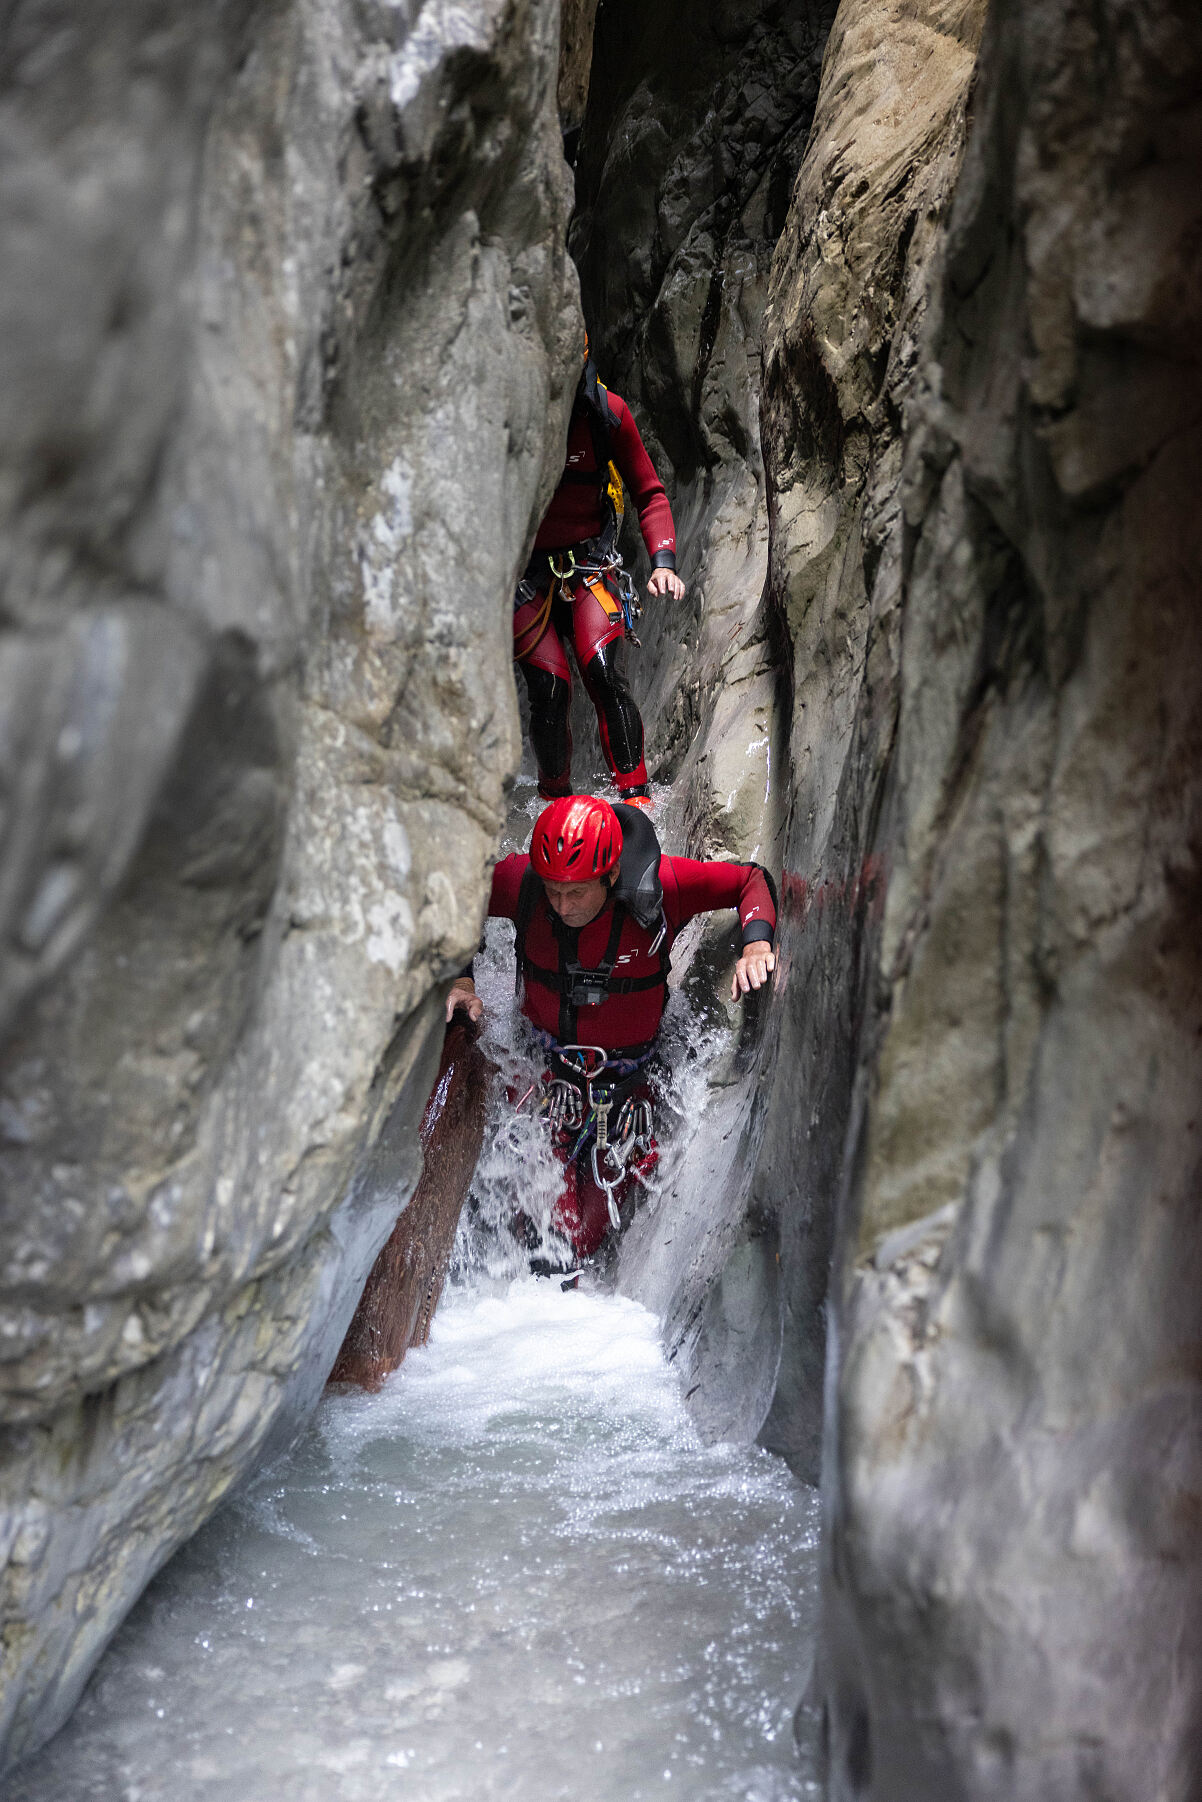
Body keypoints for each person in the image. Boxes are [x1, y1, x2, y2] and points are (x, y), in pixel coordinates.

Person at [447, 795, 777, 1264]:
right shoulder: (523, 884)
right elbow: (454, 894)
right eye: (553, 891)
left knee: (588, 1239)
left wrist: (755, 944)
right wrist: (461, 977)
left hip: (628, 1083)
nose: (561, 906)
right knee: (553, 1246)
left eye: (576, 892)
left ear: (613, 875)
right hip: (542, 1069)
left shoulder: (665, 887)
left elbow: (751, 879)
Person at [513, 346, 685, 806]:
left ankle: (637, 801)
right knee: (549, 691)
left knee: (604, 674)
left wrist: (662, 562)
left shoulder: (607, 412)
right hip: (525, 579)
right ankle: (553, 805)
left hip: (588, 566)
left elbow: (650, 494)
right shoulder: (502, 417)